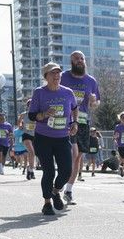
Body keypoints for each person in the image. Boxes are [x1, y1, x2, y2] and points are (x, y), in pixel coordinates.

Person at [28, 61, 78, 215]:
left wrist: (74, 122)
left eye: (58, 73)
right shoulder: (39, 92)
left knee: (66, 170)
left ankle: (56, 191)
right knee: (48, 171)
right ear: (46, 76)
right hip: (44, 137)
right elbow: (32, 115)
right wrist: (43, 114)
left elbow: (75, 108)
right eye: (52, 73)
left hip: (62, 137)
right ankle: (47, 203)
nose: (56, 76)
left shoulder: (68, 92)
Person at [60, 50, 100, 205]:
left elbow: (96, 103)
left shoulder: (91, 81)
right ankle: (60, 183)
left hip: (83, 122)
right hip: (67, 121)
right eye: (76, 58)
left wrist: (93, 101)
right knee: (73, 153)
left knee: (78, 158)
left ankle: (68, 189)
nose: (80, 60)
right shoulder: (63, 77)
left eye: (82, 58)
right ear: (71, 61)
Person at [21, 98, 37, 180]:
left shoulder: (37, 114)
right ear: (27, 106)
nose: (31, 106)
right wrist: (21, 125)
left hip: (35, 136)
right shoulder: (24, 114)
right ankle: (31, 170)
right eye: (29, 105)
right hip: (26, 135)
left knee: (33, 154)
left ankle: (30, 170)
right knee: (31, 152)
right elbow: (19, 124)